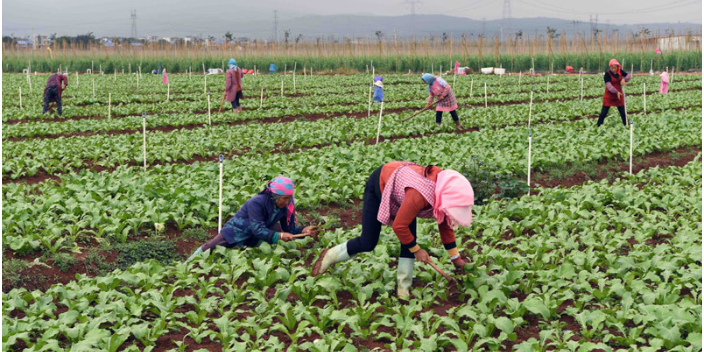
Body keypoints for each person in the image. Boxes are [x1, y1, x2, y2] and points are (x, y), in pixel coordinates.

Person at [312, 162, 474, 299]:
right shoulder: (420, 195)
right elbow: (399, 226)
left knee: (409, 240)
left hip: (402, 192)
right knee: (368, 242)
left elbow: (444, 224)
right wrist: (417, 250)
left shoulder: (441, 193)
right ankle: (330, 255)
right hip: (380, 183)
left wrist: (456, 258)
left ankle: (403, 289)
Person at [186, 176, 319, 261]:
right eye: (284, 199)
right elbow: (257, 229)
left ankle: (254, 255)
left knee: (276, 228)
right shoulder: (257, 202)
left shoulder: (284, 207)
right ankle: (188, 264)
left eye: (289, 199)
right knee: (210, 247)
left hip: (255, 235)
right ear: (275, 196)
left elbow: (289, 229)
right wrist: (280, 236)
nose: (287, 202)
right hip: (237, 230)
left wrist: (304, 231)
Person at [597, 59, 632, 127]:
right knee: (604, 112)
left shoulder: (620, 72)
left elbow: (628, 76)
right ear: (610, 67)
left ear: (617, 67)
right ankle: (598, 125)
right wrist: (616, 92)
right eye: (612, 67)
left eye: (615, 67)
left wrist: (624, 79)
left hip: (619, 95)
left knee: (622, 111)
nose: (613, 69)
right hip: (609, 95)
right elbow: (609, 85)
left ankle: (626, 125)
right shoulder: (607, 74)